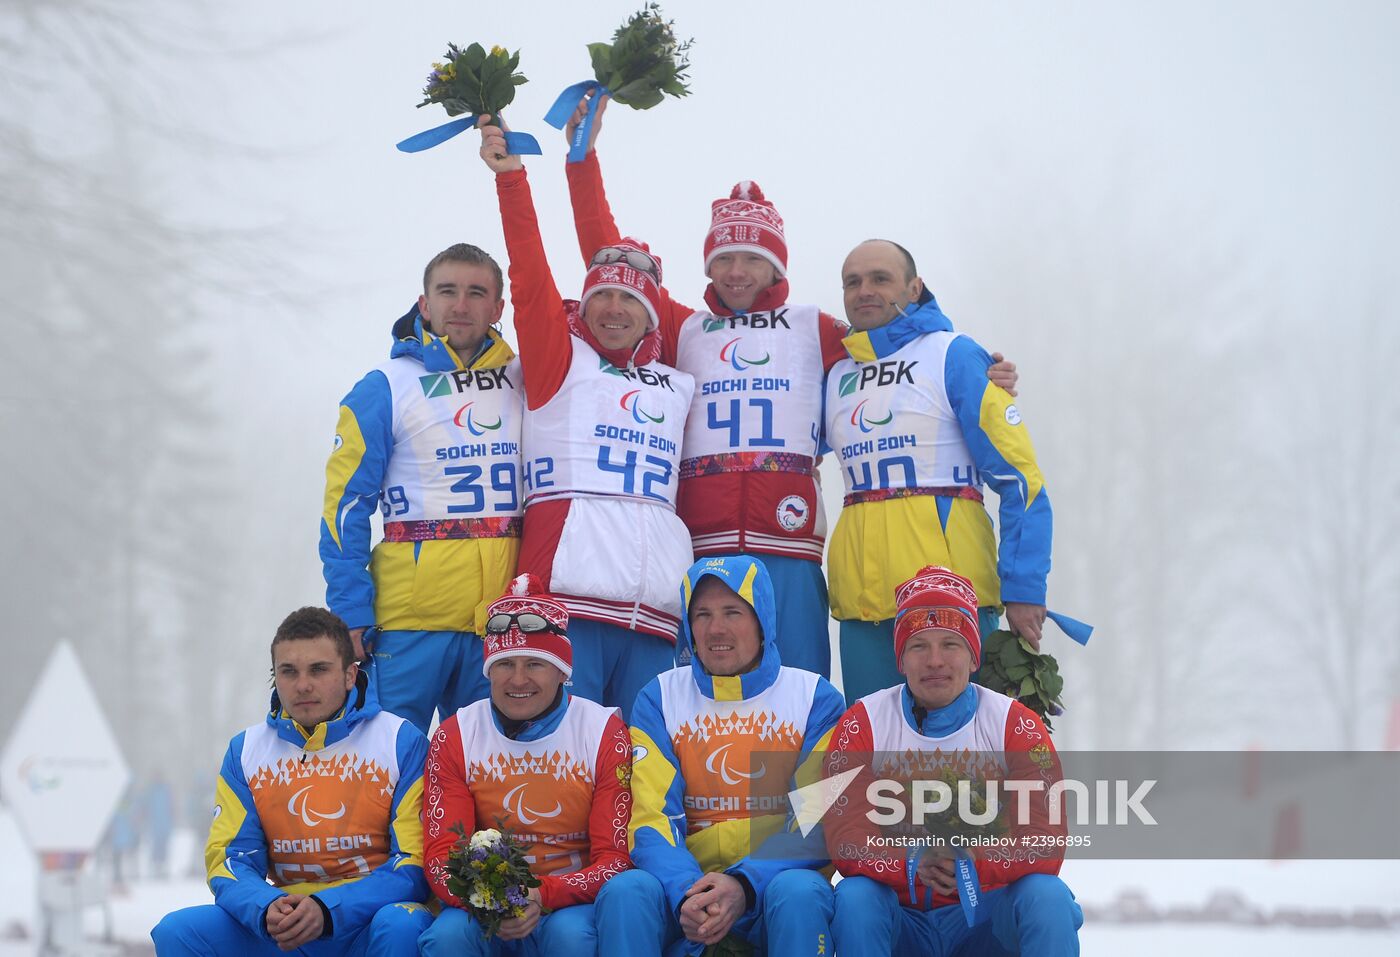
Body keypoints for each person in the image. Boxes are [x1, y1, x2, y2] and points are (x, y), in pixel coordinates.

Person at [558, 94, 1018, 680]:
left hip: (792, 546)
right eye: (724, 259)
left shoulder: (816, 329)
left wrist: (978, 364)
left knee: (802, 700)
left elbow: (900, 339)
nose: (737, 272)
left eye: (752, 259)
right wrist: (583, 159)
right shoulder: (683, 328)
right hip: (704, 546)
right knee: (705, 700)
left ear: (778, 267)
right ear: (708, 268)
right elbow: (609, 263)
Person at [477, 118, 695, 720]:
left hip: (653, 606)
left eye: (630, 298)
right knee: (570, 755)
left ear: (654, 316)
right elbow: (529, 275)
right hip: (568, 595)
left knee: (647, 756)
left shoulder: (675, 377)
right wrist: (513, 181)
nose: (613, 308)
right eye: (601, 294)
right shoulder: (558, 360)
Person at [826, 239, 1052, 703]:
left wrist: (1024, 588)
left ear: (914, 287)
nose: (864, 290)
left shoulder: (954, 354)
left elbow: (1019, 478)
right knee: (878, 763)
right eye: (853, 282)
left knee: (964, 764)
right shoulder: (835, 373)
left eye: (880, 279)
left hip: (952, 604)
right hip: (864, 610)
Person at [822, 566, 1082, 956]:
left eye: (951, 644)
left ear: (974, 656)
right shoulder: (862, 723)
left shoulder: (1016, 724)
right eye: (919, 646)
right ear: (900, 660)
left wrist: (972, 862)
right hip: (902, 918)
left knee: (1048, 896)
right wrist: (911, 863)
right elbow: (846, 838)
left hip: (986, 919)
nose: (935, 661)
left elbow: (1045, 840)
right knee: (854, 896)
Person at [320, 243, 525, 733]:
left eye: (477, 293)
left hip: (499, 623)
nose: (461, 305)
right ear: (425, 303)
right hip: (408, 621)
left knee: (488, 772)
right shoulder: (384, 385)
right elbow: (345, 508)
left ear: (499, 308)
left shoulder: (526, 380)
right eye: (447, 291)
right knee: (392, 763)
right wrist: (349, 611)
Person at [603, 555, 847, 955]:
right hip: (688, 890)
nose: (716, 629)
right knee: (628, 890)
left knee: (800, 890)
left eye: (733, 612)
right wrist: (687, 893)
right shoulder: (660, 697)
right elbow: (650, 818)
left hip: (774, 886)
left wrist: (746, 884)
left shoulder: (814, 697)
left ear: (762, 619)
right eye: (701, 615)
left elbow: (816, 821)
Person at [152, 607, 431, 956]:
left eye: (318, 669)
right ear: (275, 676)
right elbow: (230, 859)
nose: (302, 685)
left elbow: (413, 862)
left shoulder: (400, 740)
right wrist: (267, 906)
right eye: (288, 671)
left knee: (404, 923)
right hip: (283, 925)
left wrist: (329, 909)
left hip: (365, 923)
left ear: (349, 674)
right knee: (177, 931)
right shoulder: (245, 750)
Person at [419, 575, 634, 956]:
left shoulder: (603, 730)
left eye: (535, 663)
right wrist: (494, 901)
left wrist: (542, 893)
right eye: (504, 665)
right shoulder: (456, 735)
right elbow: (441, 859)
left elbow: (615, 860)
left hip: (570, 901)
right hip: (483, 902)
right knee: (448, 938)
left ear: (562, 672)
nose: (518, 680)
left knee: (571, 937)